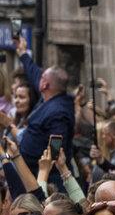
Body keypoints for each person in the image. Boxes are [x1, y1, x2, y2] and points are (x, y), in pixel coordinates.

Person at [7, 36, 75, 194]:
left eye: (42, 77)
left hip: (48, 181)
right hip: (30, 172)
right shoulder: (49, 94)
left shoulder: (59, 112)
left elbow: (56, 149)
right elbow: (34, 72)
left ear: (45, 85)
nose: (39, 77)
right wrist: (23, 53)